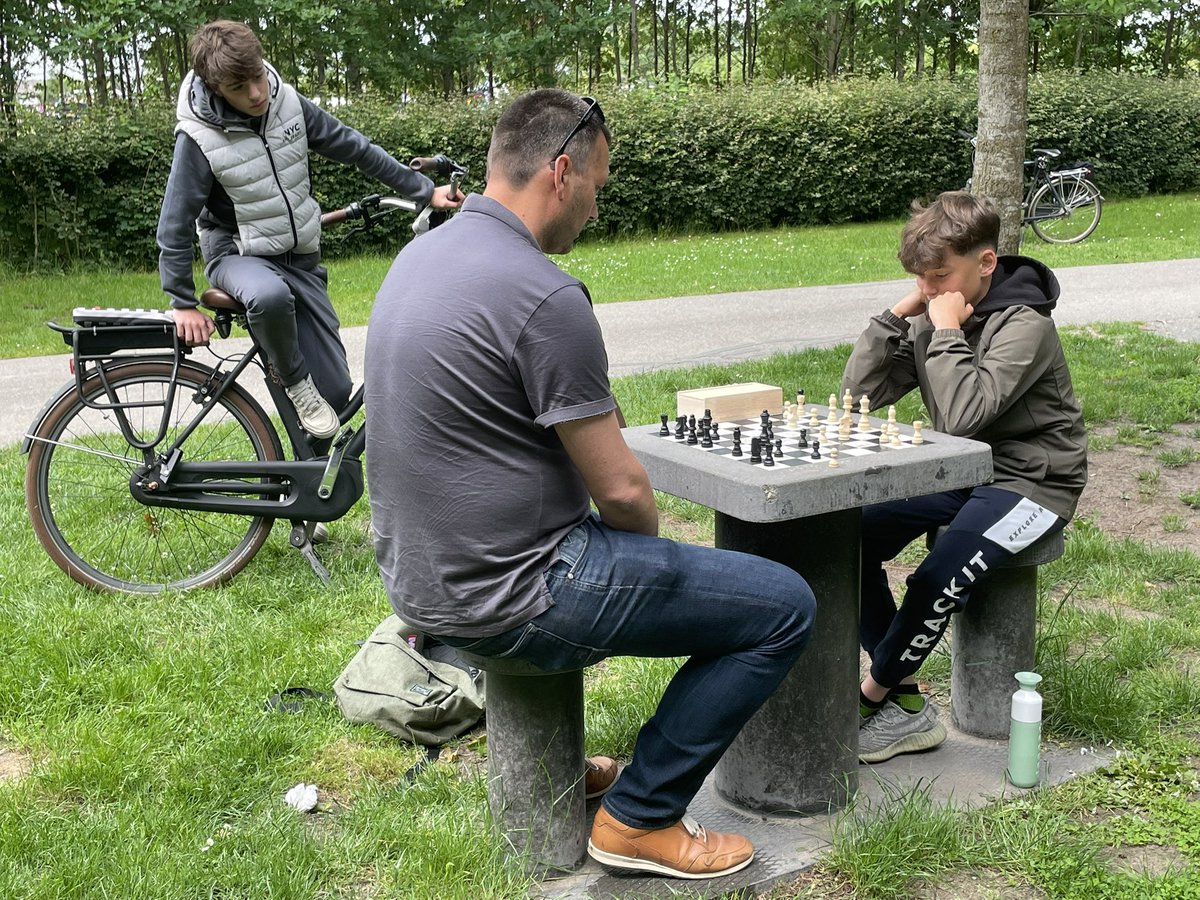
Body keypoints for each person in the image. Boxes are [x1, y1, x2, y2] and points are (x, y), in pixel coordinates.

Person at [365, 89, 816, 880]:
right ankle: (640, 821)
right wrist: (649, 581)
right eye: (600, 189)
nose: (598, 212)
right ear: (562, 171)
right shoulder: (542, 292)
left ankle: (600, 781)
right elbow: (624, 495)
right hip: (514, 595)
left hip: (420, 586)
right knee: (783, 606)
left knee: (700, 584)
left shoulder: (421, 255)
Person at [842, 191, 1088, 763]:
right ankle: (904, 703)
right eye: (919, 279)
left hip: (1033, 479)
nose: (929, 290)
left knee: (936, 576)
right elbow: (857, 396)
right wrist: (896, 318)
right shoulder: (935, 311)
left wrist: (945, 331)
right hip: (961, 468)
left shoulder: (1026, 326)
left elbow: (962, 416)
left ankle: (872, 694)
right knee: (844, 536)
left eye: (938, 275)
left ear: (984, 263)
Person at [156, 19, 460, 440]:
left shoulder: (287, 105)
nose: (257, 93)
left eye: (258, 77)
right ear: (215, 89)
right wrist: (181, 301)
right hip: (237, 256)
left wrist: (425, 191)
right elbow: (173, 222)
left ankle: (311, 485)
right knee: (269, 296)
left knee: (336, 392)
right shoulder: (198, 137)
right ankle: (296, 383)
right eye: (239, 88)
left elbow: (355, 147)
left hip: (300, 258)